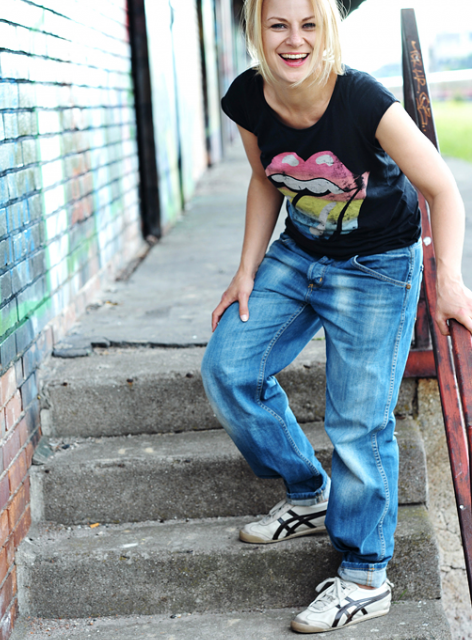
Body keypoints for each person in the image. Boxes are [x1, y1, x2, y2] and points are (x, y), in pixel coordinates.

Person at [201, 0, 472, 633]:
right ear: (256, 29)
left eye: (309, 24)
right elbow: (266, 180)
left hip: (377, 267)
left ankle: (366, 576)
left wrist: (450, 280)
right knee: (229, 368)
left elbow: (442, 189)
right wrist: (247, 269)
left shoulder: (364, 101)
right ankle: (309, 492)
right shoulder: (247, 98)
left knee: (358, 420)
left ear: (327, 28)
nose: (293, 40)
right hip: (299, 254)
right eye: (278, 24)